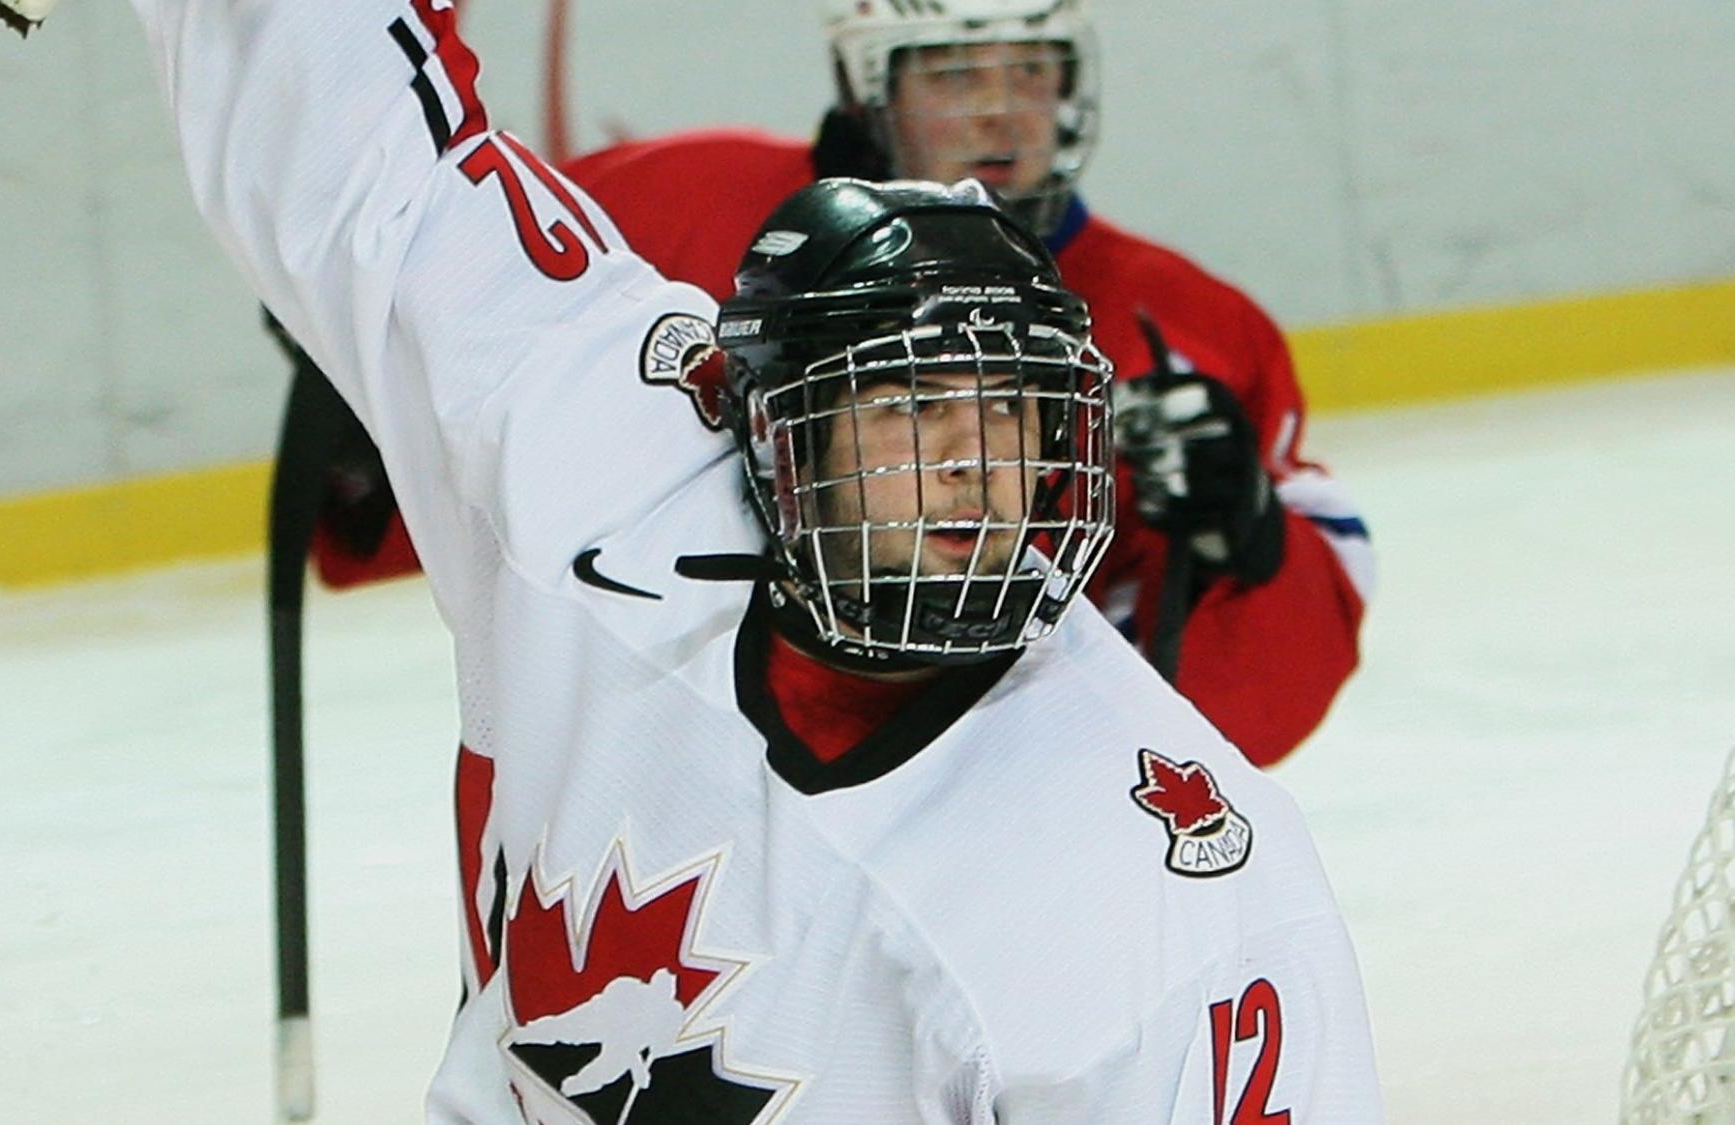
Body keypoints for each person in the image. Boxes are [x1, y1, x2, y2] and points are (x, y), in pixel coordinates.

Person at [112, 0, 1382, 1118]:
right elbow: (377, 176)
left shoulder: (1167, 890)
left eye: (1011, 413)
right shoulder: (606, 463)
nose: (970, 465)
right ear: (771, 432)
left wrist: (1252, 540)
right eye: (909, 405)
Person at [282, 0, 1374, 768]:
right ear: (872, 81)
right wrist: (369, 412)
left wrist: (1252, 535)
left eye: (1028, 71)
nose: (1000, 112)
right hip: (673, 758)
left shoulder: (1181, 325)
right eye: (954, 72)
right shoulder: (676, 207)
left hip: (988, 795)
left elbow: (1216, 728)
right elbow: (486, 351)